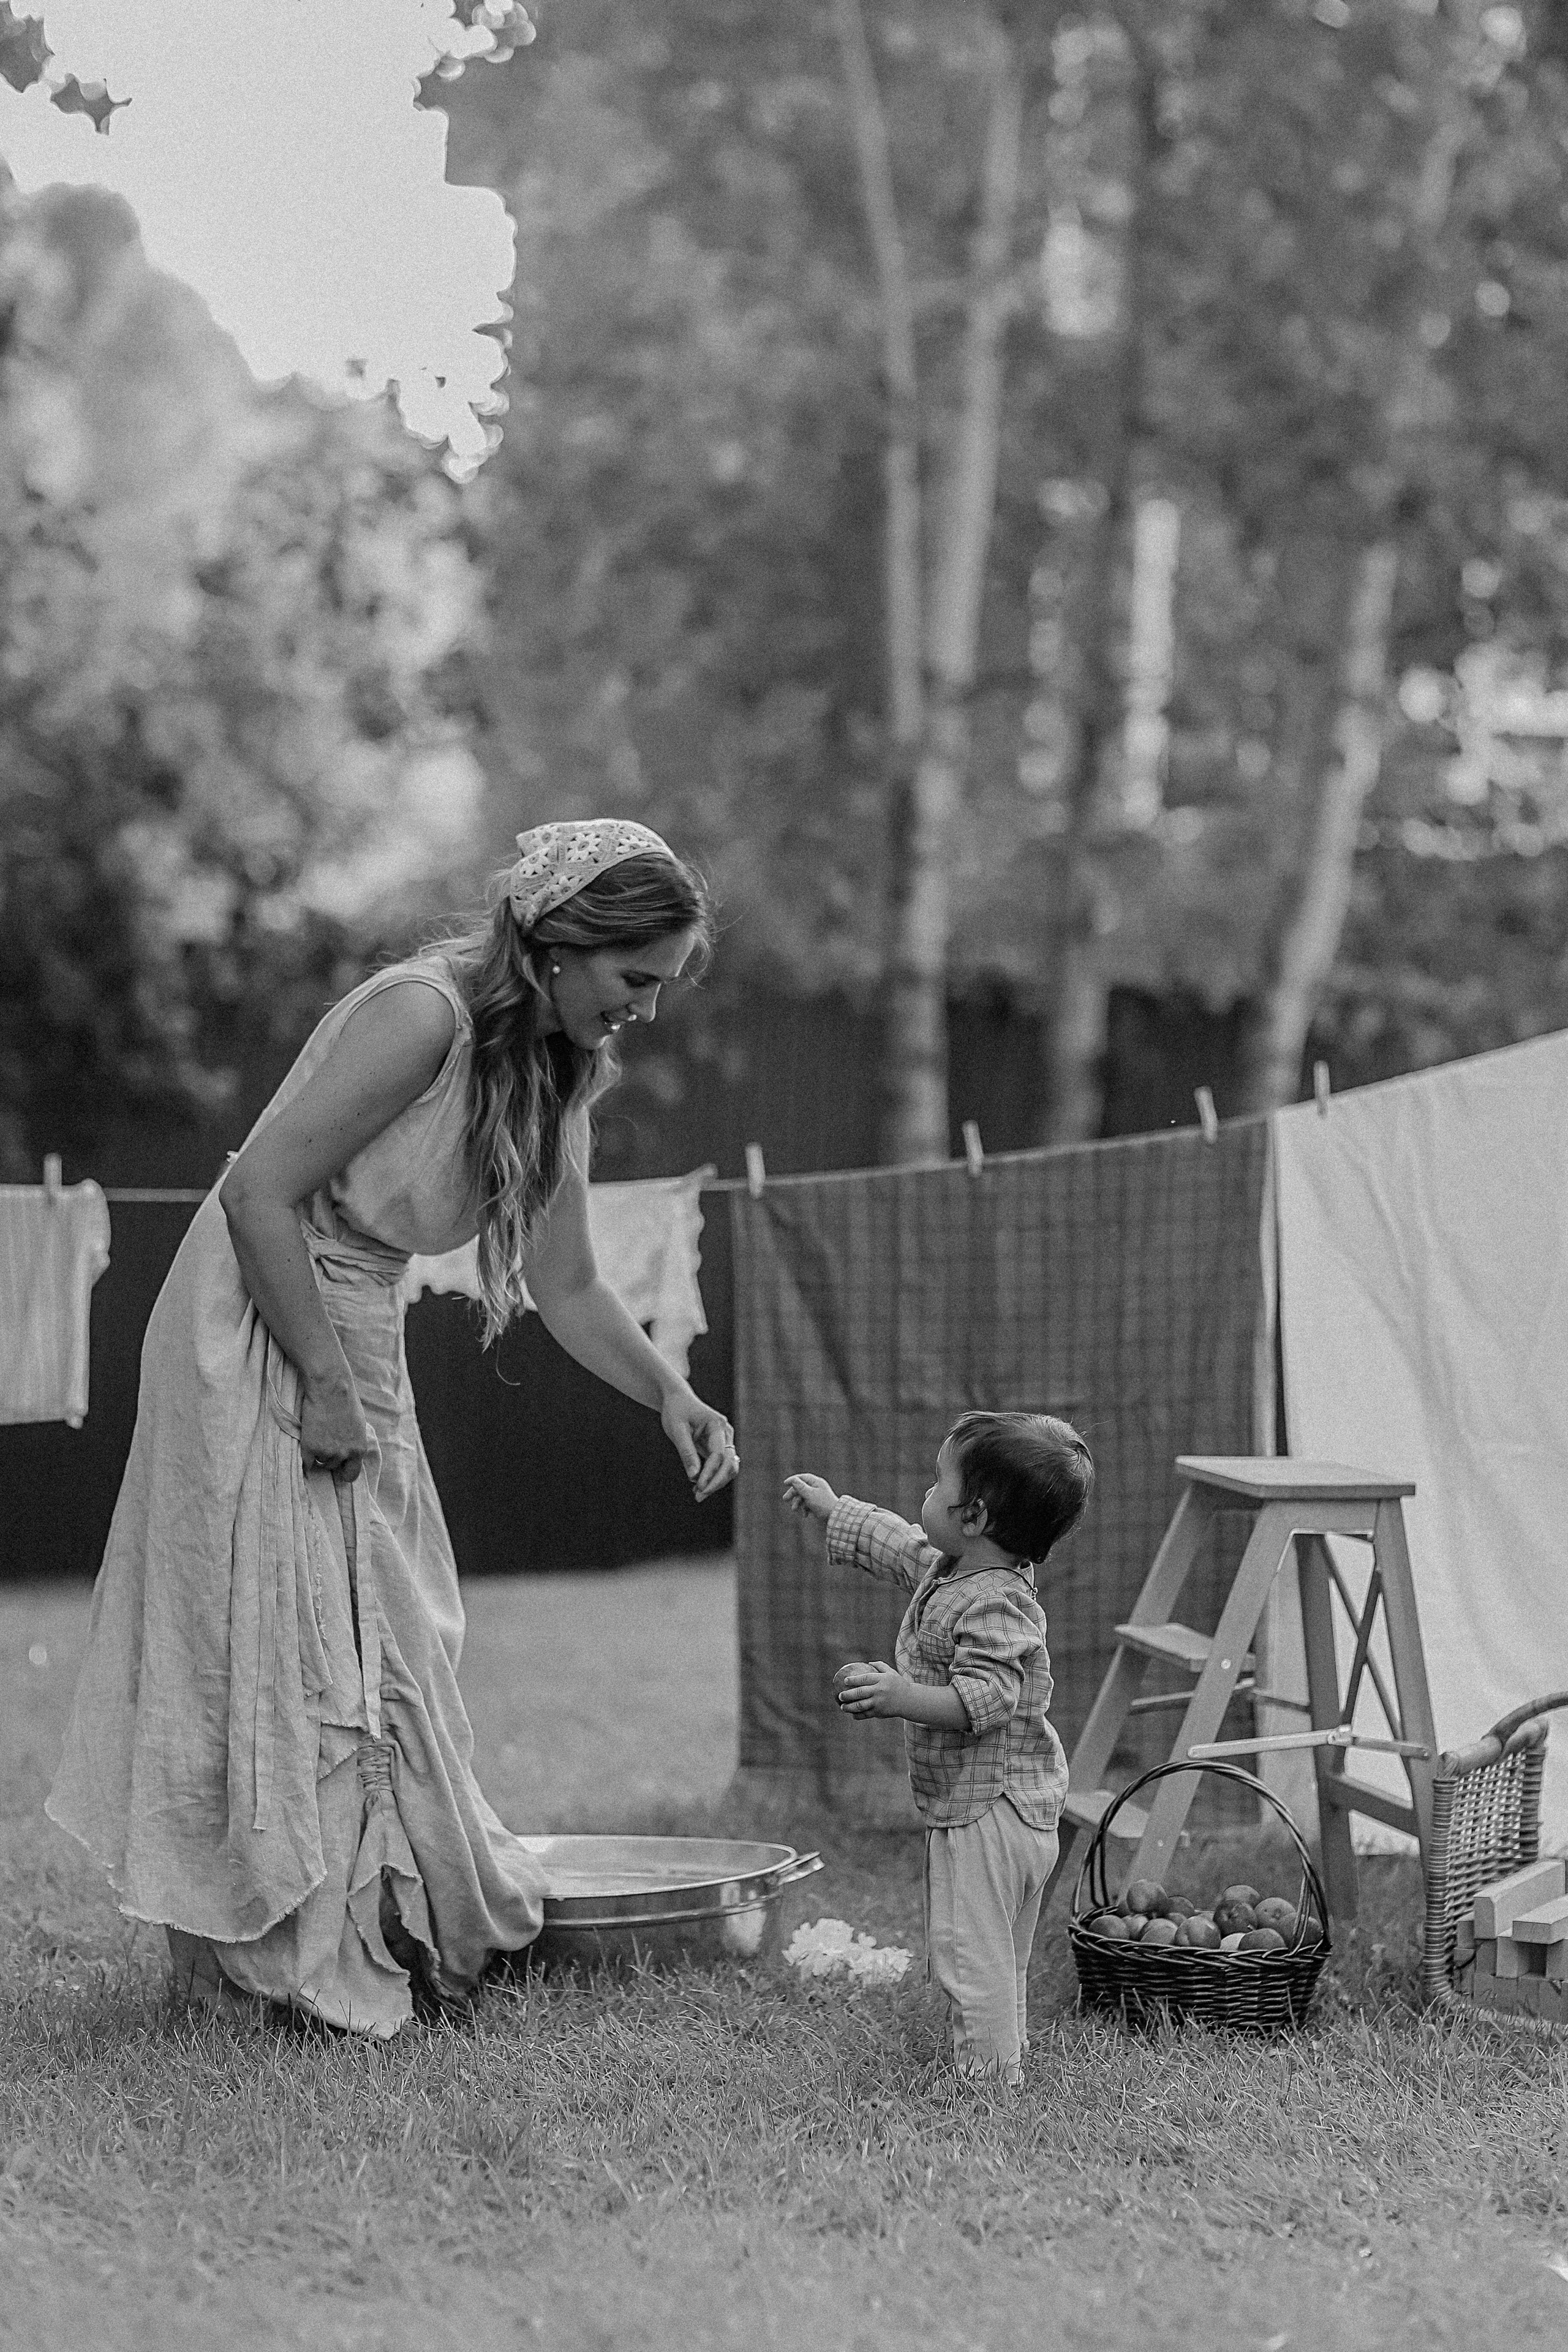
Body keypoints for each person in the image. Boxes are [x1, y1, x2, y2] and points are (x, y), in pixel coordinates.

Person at [48, 818, 740, 2038]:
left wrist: (670, 1394)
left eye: (663, 989)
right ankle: (247, 1961)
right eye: (636, 980)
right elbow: (258, 1192)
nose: (644, 1010)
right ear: (565, 944)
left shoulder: (558, 1071)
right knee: (284, 1626)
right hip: (261, 1305)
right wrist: (321, 1381)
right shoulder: (421, 1016)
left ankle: (368, 1926)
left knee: (392, 1628)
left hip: (353, 1315)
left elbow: (572, 1289)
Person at [782, 1412, 1093, 2087]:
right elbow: (904, 1548)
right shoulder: (959, 1570)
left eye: (935, 1481)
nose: (924, 1495)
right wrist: (836, 1511)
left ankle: (987, 2085)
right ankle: (1005, 2061)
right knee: (997, 1954)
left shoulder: (995, 1607)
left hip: (991, 1812)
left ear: (974, 1515)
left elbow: (985, 1700)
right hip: (1009, 1806)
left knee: (969, 1954)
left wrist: (900, 1695)